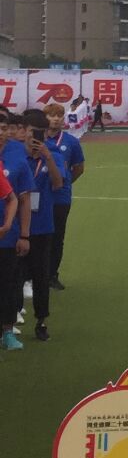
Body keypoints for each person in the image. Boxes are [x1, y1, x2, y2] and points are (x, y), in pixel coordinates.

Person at [16, 110, 62, 342]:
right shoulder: (15, 156)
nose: (36, 138)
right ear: (24, 131)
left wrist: (48, 158)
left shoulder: (51, 154)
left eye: (41, 134)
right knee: (14, 275)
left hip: (42, 226)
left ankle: (41, 320)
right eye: (33, 132)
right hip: (16, 226)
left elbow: (58, 183)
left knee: (41, 277)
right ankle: (11, 317)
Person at [42, 101, 85, 290]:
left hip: (60, 197)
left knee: (57, 236)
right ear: (45, 118)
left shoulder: (71, 141)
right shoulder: (37, 139)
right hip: (39, 195)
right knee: (37, 236)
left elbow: (79, 168)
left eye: (60, 115)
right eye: (52, 115)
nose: (56, 119)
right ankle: (33, 275)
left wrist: (65, 183)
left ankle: (52, 274)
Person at [0, 111, 31, 351]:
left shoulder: (16, 154)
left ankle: (7, 332)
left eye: (3, 128)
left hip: (5, 238)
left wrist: (11, 226)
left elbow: (16, 198)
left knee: (7, 285)